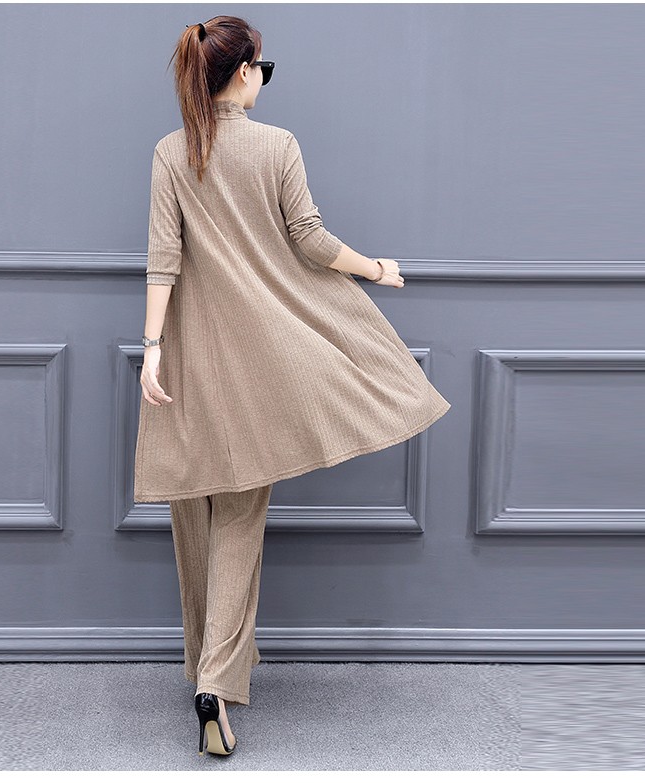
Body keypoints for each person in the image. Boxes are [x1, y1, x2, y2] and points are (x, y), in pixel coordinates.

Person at [133, 16, 452, 756]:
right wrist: (378, 268)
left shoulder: (170, 152)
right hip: (261, 363)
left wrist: (151, 351)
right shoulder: (277, 146)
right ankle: (216, 681)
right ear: (244, 71)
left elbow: (162, 261)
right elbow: (309, 239)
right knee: (239, 518)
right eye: (262, 69)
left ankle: (205, 669)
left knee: (192, 514)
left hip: (186, 361)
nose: (262, 81)